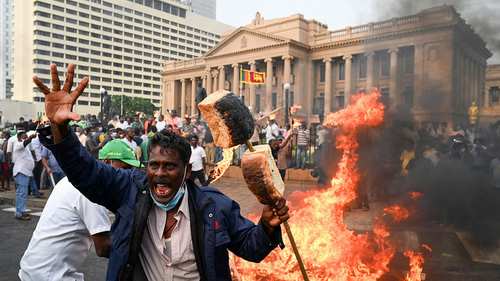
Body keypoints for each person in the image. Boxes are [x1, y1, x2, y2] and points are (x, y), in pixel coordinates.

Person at [34, 64, 290, 281]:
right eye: (154, 165)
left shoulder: (215, 206)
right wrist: (61, 131)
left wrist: (267, 224)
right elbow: (85, 172)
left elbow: (251, 248)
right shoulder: (129, 191)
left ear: (187, 171)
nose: (159, 174)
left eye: (169, 167)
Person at [18, 139, 140, 281]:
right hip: (50, 276)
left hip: (34, 270)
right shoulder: (93, 191)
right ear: (107, 163)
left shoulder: (73, 181)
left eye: (130, 170)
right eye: (124, 169)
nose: (126, 175)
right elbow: (103, 247)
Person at [13, 131, 38, 220]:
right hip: (21, 172)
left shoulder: (26, 147)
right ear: (19, 138)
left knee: (21, 193)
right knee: (22, 193)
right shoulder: (18, 144)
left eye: (27, 136)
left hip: (25, 172)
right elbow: (25, 142)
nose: (26, 138)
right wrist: (30, 138)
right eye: (24, 136)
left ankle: (19, 212)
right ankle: (20, 213)